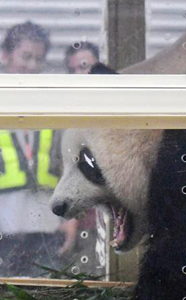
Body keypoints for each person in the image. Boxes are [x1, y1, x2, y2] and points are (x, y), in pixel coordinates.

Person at [0, 21, 76, 277]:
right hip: (4, 225)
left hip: (46, 224)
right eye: (26, 56)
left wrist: (71, 218)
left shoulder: (50, 105)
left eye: (39, 59)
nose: (32, 66)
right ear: (5, 55)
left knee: (46, 289)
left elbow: (68, 165)